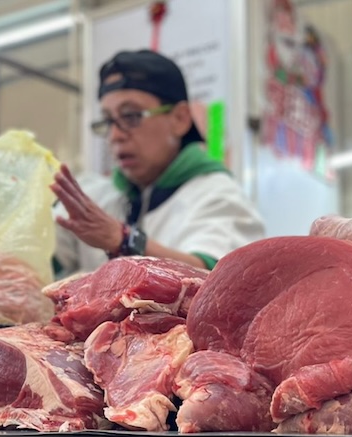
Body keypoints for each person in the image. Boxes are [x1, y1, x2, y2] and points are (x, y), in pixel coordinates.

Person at [52, 49, 264, 275]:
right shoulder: (97, 194)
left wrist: (123, 240)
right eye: (108, 121)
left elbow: (215, 282)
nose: (115, 136)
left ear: (180, 119)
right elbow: (41, 263)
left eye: (131, 116)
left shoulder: (218, 197)